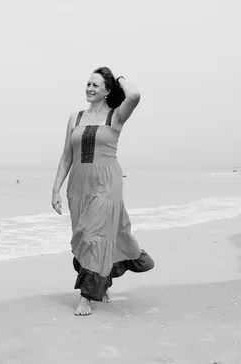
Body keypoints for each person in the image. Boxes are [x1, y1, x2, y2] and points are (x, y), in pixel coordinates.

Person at [51, 67, 154, 316]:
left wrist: (116, 77)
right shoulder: (74, 118)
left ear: (107, 90)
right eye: (88, 84)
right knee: (84, 239)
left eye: (96, 85)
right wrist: (55, 190)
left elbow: (135, 95)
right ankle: (102, 281)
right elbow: (66, 157)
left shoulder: (116, 116)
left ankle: (86, 297)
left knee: (94, 235)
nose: (89, 88)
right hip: (79, 186)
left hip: (108, 184)